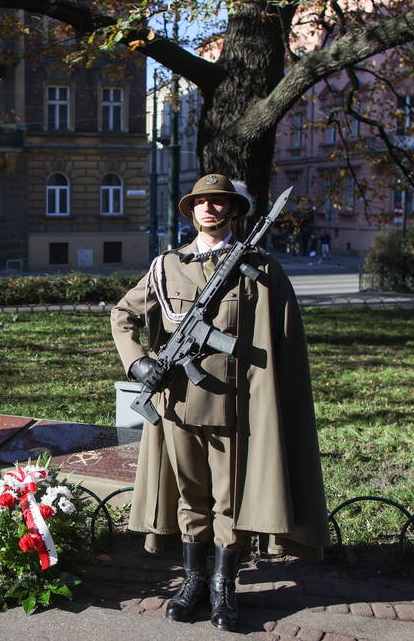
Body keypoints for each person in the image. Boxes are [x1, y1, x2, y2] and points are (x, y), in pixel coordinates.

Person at [110, 174, 330, 630]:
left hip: (235, 406)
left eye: (218, 202)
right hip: (178, 403)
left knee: (229, 501)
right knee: (191, 495)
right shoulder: (167, 266)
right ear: (191, 210)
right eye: (201, 202)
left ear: (232, 209)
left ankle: (222, 587)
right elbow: (123, 314)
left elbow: (281, 340)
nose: (209, 209)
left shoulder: (257, 266)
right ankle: (192, 581)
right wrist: (138, 364)